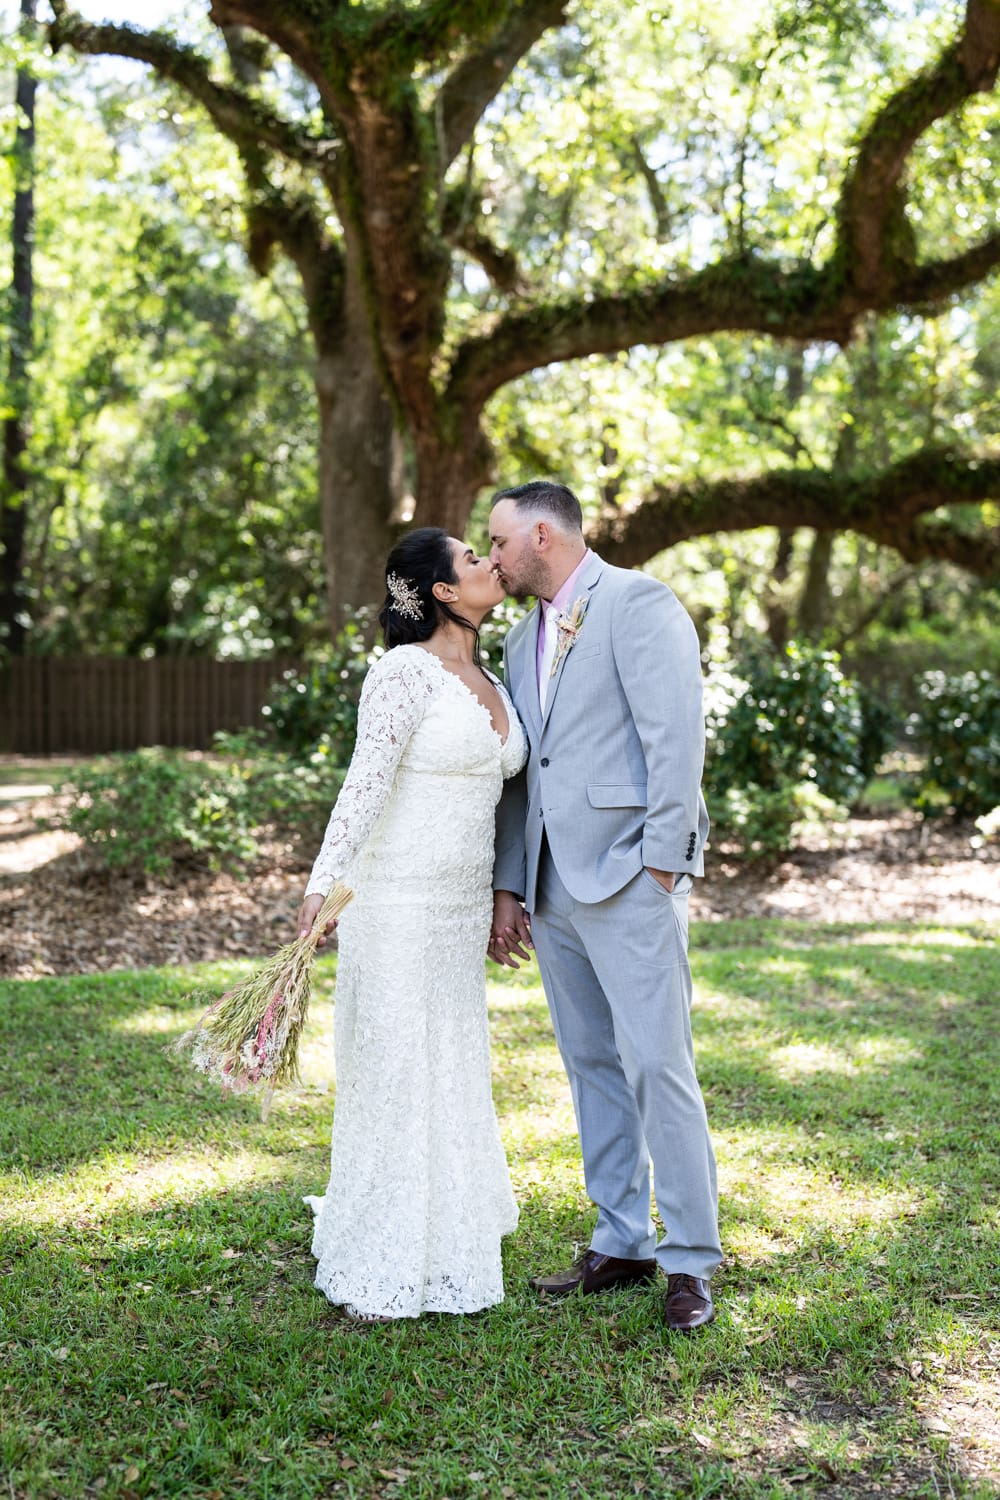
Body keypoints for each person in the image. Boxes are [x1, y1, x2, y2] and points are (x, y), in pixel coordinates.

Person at [488, 480, 721, 1333]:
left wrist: (663, 868)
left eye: (500, 541)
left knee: (659, 1066)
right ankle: (622, 1238)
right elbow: (525, 774)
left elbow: (675, 739)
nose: (494, 557)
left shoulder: (638, 603)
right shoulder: (518, 641)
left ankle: (692, 1259)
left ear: (541, 535)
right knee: (591, 1068)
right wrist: (511, 885)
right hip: (553, 891)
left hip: (630, 880)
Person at [297, 527, 527, 1321]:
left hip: (461, 909)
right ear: (440, 593)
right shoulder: (402, 673)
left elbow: (512, 804)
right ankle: (386, 1244)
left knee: (451, 1059)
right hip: (393, 903)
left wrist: (506, 894)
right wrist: (321, 888)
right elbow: (364, 784)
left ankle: (453, 1220)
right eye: (472, 559)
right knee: (398, 1067)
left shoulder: (495, 675)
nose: (490, 563)